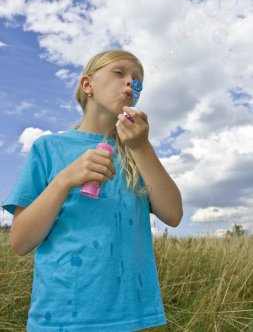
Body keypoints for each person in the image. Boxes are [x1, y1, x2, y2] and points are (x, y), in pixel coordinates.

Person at [3, 49, 183, 331]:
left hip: (128, 316)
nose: (130, 83)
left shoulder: (137, 153)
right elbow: (21, 242)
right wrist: (64, 181)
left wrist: (141, 146)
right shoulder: (48, 149)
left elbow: (173, 215)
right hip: (59, 316)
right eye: (119, 73)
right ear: (88, 85)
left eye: (137, 81)